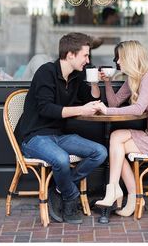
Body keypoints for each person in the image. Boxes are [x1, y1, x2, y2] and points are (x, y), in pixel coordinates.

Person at [15, 33, 107, 224]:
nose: (88, 61)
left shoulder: (76, 76)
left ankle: (59, 188)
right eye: (85, 56)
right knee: (61, 159)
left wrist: (94, 82)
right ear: (71, 55)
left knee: (100, 152)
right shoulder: (45, 72)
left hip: (59, 135)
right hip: (34, 137)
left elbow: (91, 99)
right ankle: (71, 196)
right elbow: (46, 109)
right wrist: (81, 110)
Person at [95, 40, 148, 216]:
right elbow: (115, 103)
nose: (117, 62)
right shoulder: (133, 79)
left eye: (120, 58)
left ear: (131, 57)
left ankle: (115, 191)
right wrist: (108, 82)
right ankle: (128, 198)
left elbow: (138, 108)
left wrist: (106, 110)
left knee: (116, 140)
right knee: (117, 143)